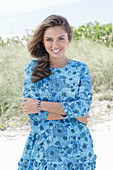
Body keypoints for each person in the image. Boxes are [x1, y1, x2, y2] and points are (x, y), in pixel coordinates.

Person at [18, 14, 97, 169]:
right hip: (44, 146)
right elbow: (33, 113)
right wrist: (74, 116)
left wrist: (40, 104)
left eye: (61, 38)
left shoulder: (80, 69)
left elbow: (83, 108)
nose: (55, 44)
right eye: (49, 39)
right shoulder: (32, 69)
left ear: (69, 38)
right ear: (42, 41)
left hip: (78, 147)